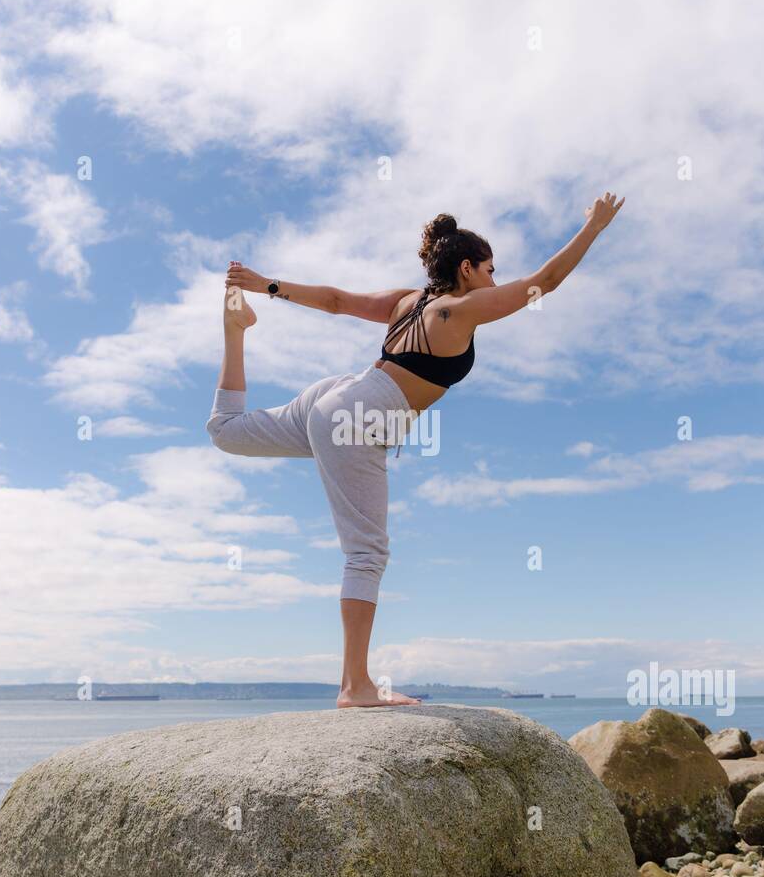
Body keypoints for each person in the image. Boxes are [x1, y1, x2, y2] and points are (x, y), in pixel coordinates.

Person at [208, 193, 624, 706]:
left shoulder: (408, 302)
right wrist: (594, 227)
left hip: (333, 396)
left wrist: (266, 285)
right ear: (467, 269)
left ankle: (234, 330)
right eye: (491, 270)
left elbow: (337, 301)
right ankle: (354, 686)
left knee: (227, 431)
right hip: (360, 416)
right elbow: (547, 281)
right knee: (367, 553)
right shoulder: (459, 310)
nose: (496, 280)